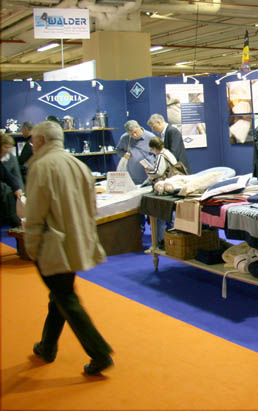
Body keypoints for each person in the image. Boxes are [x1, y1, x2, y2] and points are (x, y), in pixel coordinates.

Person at [23, 121, 113, 376]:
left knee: (65, 298)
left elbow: (35, 214)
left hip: (52, 246)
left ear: (41, 140)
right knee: (60, 296)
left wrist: (31, 246)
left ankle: (99, 353)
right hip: (76, 243)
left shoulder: (41, 167)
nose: (32, 145)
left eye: (33, 140)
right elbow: (92, 208)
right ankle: (47, 346)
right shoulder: (78, 165)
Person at [145, 137, 179, 249]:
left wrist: (149, 171)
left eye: (152, 149)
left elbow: (158, 172)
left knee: (160, 216)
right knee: (171, 215)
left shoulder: (160, 156)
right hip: (172, 186)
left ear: (154, 148)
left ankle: (160, 241)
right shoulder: (168, 153)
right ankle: (173, 240)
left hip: (164, 188)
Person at [115, 120, 156, 185]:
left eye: (135, 132)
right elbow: (118, 151)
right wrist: (124, 154)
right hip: (132, 177)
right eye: (131, 134)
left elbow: (159, 154)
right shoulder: (125, 138)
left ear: (139, 127)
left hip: (148, 176)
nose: (134, 135)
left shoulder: (151, 137)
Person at [1, 134, 23, 229]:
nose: (8, 150)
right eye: (6, 147)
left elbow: (15, 176)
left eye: (10, 147)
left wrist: (19, 189)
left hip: (7, 192)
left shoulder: (12, 158)